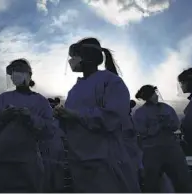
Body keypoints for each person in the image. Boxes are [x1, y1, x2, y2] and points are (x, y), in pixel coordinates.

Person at [54, 37, 140, 192]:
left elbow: (112, 117)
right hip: (79, 159)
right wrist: (61, 116)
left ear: (87, 56)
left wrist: (76, 115)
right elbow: (70, 124)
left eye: (75, 55)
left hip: (105, 160)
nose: (71, 60)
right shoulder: (74, 90)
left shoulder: (111, 81)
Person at [0, 58, 54, 193]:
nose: (16, 74)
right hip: (1, 159)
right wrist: (2, 116)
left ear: (29, 74)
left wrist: (31, 119)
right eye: (13, 71)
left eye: (19, 70)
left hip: (27, 161)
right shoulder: (3, 98)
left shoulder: (40, 101)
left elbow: (49, 131)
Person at [133, 85, 192, 193]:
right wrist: (157, 126)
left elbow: (176, 124)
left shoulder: (166, 108)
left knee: (181, 179)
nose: (156, 96)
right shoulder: (140, 113)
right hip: (152, 150)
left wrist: (168, 124)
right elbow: (141, 131)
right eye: (154, 94)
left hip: (170, 148)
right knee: (151, 183)